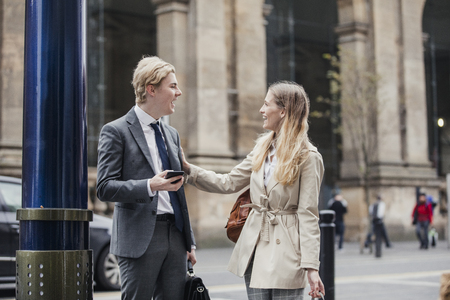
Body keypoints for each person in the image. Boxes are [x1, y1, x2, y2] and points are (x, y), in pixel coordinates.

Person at [183, 81, 325, 299]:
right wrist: (189, 170)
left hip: (287, 251)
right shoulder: (262, 149)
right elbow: (228, 182)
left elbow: (308, 215)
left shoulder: (308, 157)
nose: (261, 110)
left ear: (283, 111)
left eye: (267, 104)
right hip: (256, 247)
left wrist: (311, 267)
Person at [96, 56, 196, 300]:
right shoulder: (116, 131)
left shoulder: (171, 134)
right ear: (151, 89)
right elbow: (104, 187)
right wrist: (150, 185)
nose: (179, 92)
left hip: (175, 236)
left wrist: (188, 241)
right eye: (172, 86)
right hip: (138, 239)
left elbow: (178, 192)